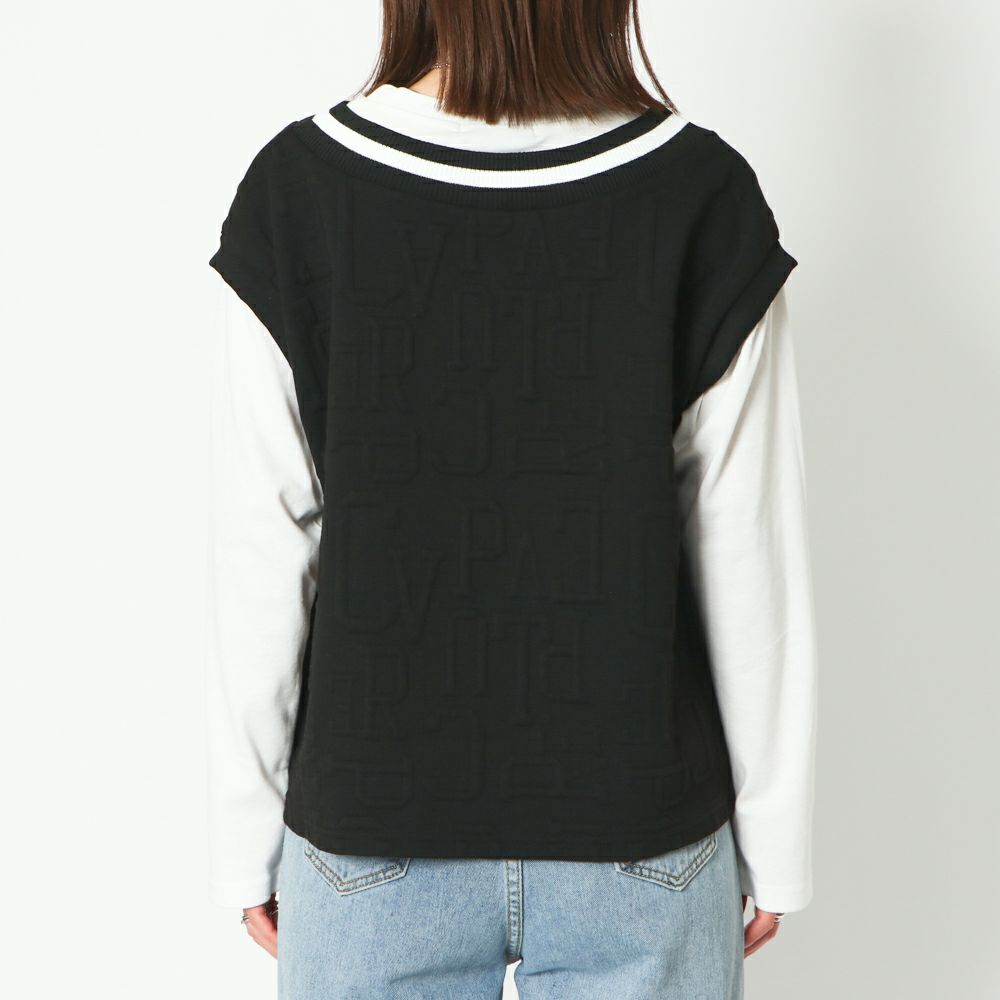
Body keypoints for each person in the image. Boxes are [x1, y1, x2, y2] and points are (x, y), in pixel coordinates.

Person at [205, 2, 818, 996]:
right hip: (638, 827)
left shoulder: (302, 190)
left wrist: (244, 839)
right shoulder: (697, 191)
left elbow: (265, 545)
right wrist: (778, 841)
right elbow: (747, 547)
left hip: (373, 825)